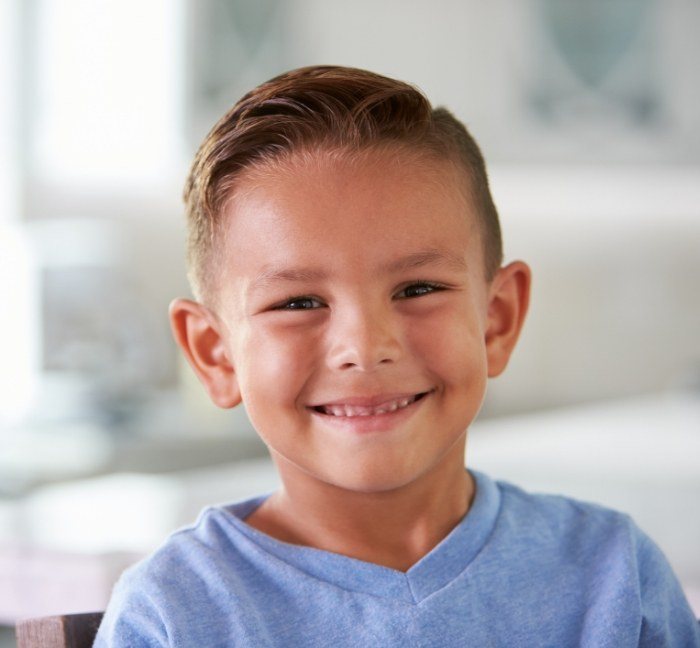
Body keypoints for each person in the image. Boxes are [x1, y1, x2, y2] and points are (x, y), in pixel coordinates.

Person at [94, 65, 700, 647]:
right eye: (299, 301)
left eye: (418, 290)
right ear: (215, 355)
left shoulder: (615, 575)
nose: (365, 347)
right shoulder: (175, 610)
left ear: (497, 319)